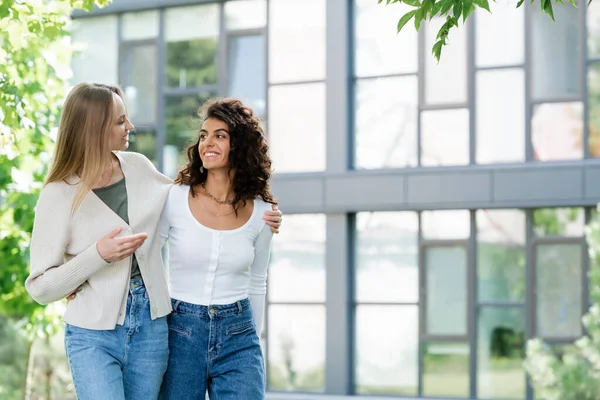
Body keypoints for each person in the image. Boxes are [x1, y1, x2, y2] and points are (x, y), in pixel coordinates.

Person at [25, 83, 282, 400]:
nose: (130, 126)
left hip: (153, 326)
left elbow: (194, 198)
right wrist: (94, 258)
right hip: (93, 332)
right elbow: (40, 287)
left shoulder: (137, 167)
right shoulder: (59, 193)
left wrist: (259, 212)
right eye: (121, 121)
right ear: (95, 129)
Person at [159, 98, 275, 400]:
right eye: (203, 135)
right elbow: (147, 260)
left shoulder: (263, 212)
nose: (207, 143)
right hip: (180, 331)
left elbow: (258, 281)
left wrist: (254, 339)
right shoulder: (174, 199)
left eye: (219, 135)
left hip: (239, 336)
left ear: (240, 145)